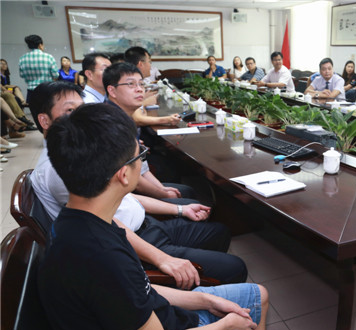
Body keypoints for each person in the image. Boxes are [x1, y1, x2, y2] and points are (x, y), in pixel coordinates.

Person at [37, 102, 320, 330]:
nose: (142, 159)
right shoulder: (98, 258)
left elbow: (140, 290)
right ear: (123, 175)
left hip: (163, 325)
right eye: (140, 155)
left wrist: (205, 299)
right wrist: (225, 327)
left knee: (256, 294)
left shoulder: (82, 220)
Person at [29, 81, 247, 287]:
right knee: (234, 267)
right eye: (70, 110)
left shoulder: (79, 150)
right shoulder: (61, 169)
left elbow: (122, 196)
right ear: (44, 121)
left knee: (218, 231)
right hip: (132, 243)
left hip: (145, 224)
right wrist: (163, 259)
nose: (81, 116)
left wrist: (179, 209)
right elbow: (106, 225)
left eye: (82, 108)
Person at [103, 62, 192, 201]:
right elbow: (131, 178)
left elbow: (141, 167)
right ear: (112, 91)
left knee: (187, 191)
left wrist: (161, 189)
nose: (139, 89)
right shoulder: (111, 124)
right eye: (131, 84)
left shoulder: (123, 117)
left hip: (133, 186)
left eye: (141, 84)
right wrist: (163, 194)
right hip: (123, 199)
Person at [18, 34, 58, 102]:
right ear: (40, 45)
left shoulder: (22, 59)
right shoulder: (48, 57)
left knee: (34, 109)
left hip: (31, 92)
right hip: (47, 91)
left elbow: (22, 75)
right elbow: (55, 75)